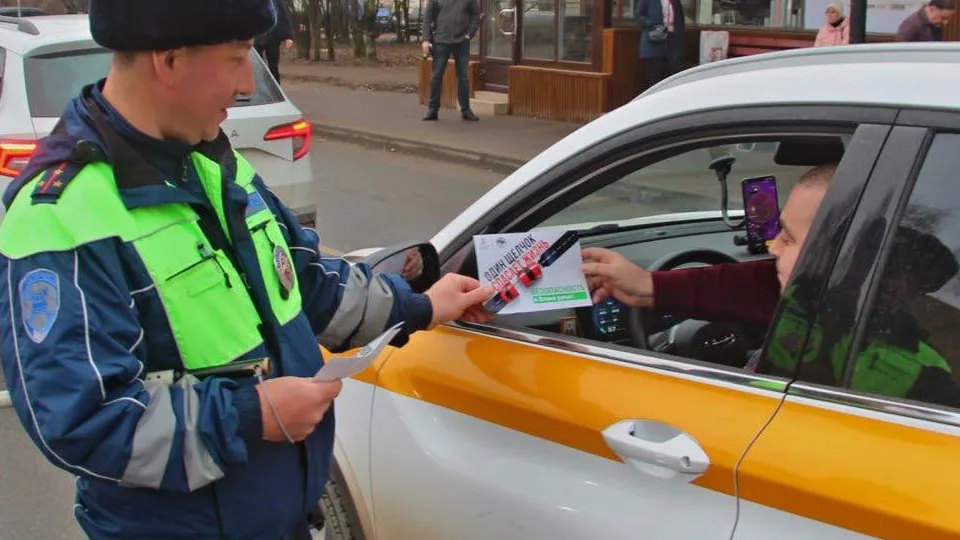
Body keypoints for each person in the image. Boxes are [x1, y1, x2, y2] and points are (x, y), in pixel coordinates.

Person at [0, 1, 494, 538]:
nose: (245, 85)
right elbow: (81, 420)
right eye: (237, 59)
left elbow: (306, 284)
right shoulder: (63, 213)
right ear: (169, 61)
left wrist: (422, 305)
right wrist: (250, 414)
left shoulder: (211, 163)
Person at [581, 163, 960, 406]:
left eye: (790, 238)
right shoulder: (827, 304)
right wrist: (648, 285)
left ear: (850, 263)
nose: (772, 246)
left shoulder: (923, 381)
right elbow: (757, 284)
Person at [421, 0, 481, 122]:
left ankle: (466, 110)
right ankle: (433, 109)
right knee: (436, 76)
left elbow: (476, 15)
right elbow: (428, 16)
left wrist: (470, 33)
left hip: (462, 42)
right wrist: (426, 39)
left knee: (463, 77)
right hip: (441, 40)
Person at [635, 0, 686, 90]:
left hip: (673, 42)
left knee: (673, 77)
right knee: (655, 79)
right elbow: (639, 15)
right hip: (654, 41)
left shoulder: (675, 1)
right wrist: (651, 24)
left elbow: (680, 19)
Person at [256, 0, 295, 82]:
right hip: (256, 37)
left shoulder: (276, 2)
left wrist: (288, 36)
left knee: (273, 67)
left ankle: (275, 88)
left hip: (272, 38)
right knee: (257, 66)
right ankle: (259, 88)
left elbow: (285, 17)